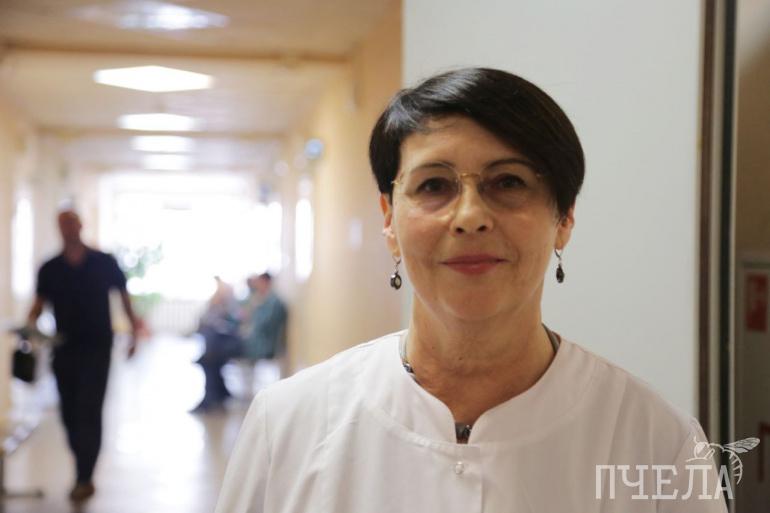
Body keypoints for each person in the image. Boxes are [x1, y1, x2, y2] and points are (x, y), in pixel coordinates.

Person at [215, 68, 727, 512]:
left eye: (509, 182)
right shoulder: (289, 424)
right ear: (389, 218)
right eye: (434, 186)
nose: (470, 217)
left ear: (564, 217)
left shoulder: (658, 442)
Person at [26, 209, 143, 502]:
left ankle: (84, 476)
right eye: (63, 224)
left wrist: (134, 334)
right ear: (58, 228)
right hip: (64, 350)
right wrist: (27, 330)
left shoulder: (103, 262)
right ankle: (82, 465)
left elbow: (124, 298)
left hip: (97, 349)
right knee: (69, 413)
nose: (68, 228)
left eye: (72, 223)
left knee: (90, 409)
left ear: (81, 226)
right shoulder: (50, 268)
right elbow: (38, 306)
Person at [192, 276, 241, 413]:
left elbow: (237, 322)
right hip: (228, 340)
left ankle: (211, 398)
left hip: (239, 342)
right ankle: (220, 393)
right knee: (211, 349)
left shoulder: (232, 303)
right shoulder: (219, 304)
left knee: (210, 359)